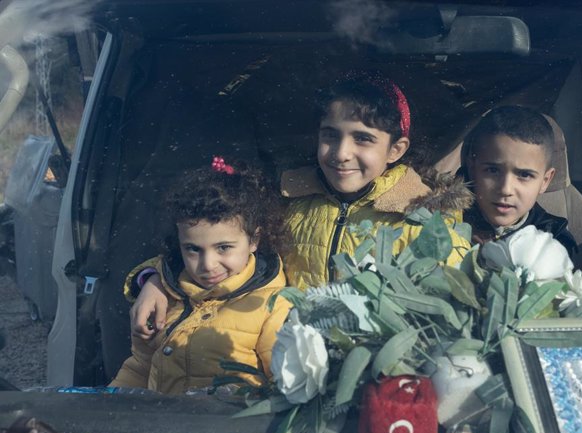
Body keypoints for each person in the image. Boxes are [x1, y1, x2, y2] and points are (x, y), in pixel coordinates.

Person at [129, 71, 473, 340]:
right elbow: (217, 249)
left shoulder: (424, 220)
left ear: (396, 150)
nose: (341, 153)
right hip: (280, 365)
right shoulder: (287, 200)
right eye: (330, 135)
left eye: (363, 139)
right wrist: (157, 281)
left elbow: (445, 314)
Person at [109, 160, 291, 394]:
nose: (207, 265)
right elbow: (140, 369)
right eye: (193, 249)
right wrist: (110, 408)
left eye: (223, 247)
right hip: (160, 426)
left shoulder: (272, 307)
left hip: (228, 428)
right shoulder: (166, 295)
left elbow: (283, 387)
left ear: (254, 240)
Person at [459, 105, 577, 253]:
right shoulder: (445, 225)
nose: (505, 189)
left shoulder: (554, 242)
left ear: (545, 181)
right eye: (493, 170)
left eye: (525, 175)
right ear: (472, 168)